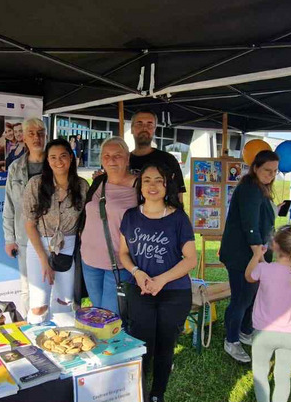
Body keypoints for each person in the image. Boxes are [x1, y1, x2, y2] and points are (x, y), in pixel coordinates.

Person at [118, 162, 196, 402]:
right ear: (140, 186)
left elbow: (191, 259)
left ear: (166, 185)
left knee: (165, 345)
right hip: (141, 290)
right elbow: (123, 253)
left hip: (174, 293)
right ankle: (138, 391)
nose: (152, 185)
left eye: (158, 180)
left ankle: (157, 394)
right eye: (147, 180)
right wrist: (137, 272)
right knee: (142, 344)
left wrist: (161, 280)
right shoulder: (131, 216)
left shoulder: (178, 218)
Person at [219, 150, 279, 363]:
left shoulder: (259, 188)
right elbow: (250, 224)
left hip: (255, 253)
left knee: (252, 297)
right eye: (267, 170)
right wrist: (258, 256)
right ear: (255, 168)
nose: (271, 175)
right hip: (243, 255)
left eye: (275, 171)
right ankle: (231, 340)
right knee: (242, 299)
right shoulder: (250, 188)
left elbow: (260, 220)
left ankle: (245, 331)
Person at [246, 225, 291, 402]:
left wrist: (256, 256)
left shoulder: (264, 270)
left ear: (274, 245)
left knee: (260, 374)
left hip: (263, 333)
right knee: (283, 378)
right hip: (290, 336)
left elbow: (249, 276)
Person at [22, 138, 89, 325]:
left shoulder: (82, 186)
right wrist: (44, 259)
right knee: (39, 305)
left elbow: (87, 219)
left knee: (64, 302)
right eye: (53, 157)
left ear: (71, 158)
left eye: (63, 156)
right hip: (39, 245)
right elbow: (29, 224)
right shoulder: (36, 184)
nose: (58, 161)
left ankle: (60, 338)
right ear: (47, 160)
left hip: (68, 245)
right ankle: (36, 338)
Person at [79, 137, 137, 314]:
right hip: (89, 260)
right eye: (106, 155)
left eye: (117, 155)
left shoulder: (140, 186)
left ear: (127, 158)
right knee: (98, 314)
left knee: (112, 318)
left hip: (119, 264)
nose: (111, 160)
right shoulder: (99, 181)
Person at [3, 118, 46, 317]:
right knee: (28, 288)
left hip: (51, 238)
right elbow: (9, 205)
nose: (36, 137)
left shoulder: (55, 163)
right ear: (24, 138)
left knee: (52, 285)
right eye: (31, 133)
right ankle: (31, 326)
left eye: (40, 133)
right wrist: (9, 239)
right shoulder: (15, 168)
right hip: (24, 238)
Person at [127, 110, 187, 202]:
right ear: (132, 129)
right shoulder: (123, 161)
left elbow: (178, 196)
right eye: (139, 124)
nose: (144, 128)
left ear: (154, 129)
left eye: (149, 124)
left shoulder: (168, 160)